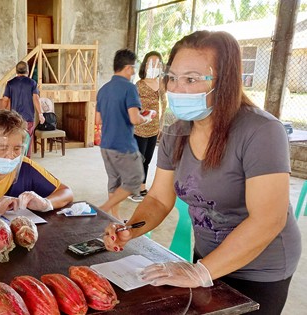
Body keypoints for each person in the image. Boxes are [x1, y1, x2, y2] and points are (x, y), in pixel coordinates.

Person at [103, 31, 301, 314]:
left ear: (225, 82)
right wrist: (131, 229)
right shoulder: (176, 131)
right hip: (207, 257)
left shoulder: (261, 131)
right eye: (172, 77)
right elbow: (159, 199)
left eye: (192, 79)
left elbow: (268, 220)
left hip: (260, 269)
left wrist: (200, 273)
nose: (177, 88)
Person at [95, 49, 156, 219]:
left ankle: (114, 219)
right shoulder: (129, 88)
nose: (134, 72)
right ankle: (104, 209)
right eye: (133, 68)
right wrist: (148, 117)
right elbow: (135, 119)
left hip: (106, 145)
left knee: (114, 183)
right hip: (123, 145)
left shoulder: (103, 90)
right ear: (128, 68)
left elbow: (97, 120)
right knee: (135, 179)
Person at [128, 51, 166, 202]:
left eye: (157, 63)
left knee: (148, 159)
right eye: (151, 63)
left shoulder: (161, 84)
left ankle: (142, 187)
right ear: (145, 65)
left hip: (153, 128)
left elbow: (164, 104)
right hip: (139, 128)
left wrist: (161, 126)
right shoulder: (139, 85)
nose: (154, 66)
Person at [2, 61, 45, 158]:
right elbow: (36, 98)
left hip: (14, 118)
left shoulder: (10, 83)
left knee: (14, 139)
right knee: (27, 141)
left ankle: (14, 158)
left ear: (16, 71)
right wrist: (40, 114)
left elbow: (5, 99)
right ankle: (26, 160)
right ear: (28, 71)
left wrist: (3, 110)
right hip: (28, 118)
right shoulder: (32, 83)